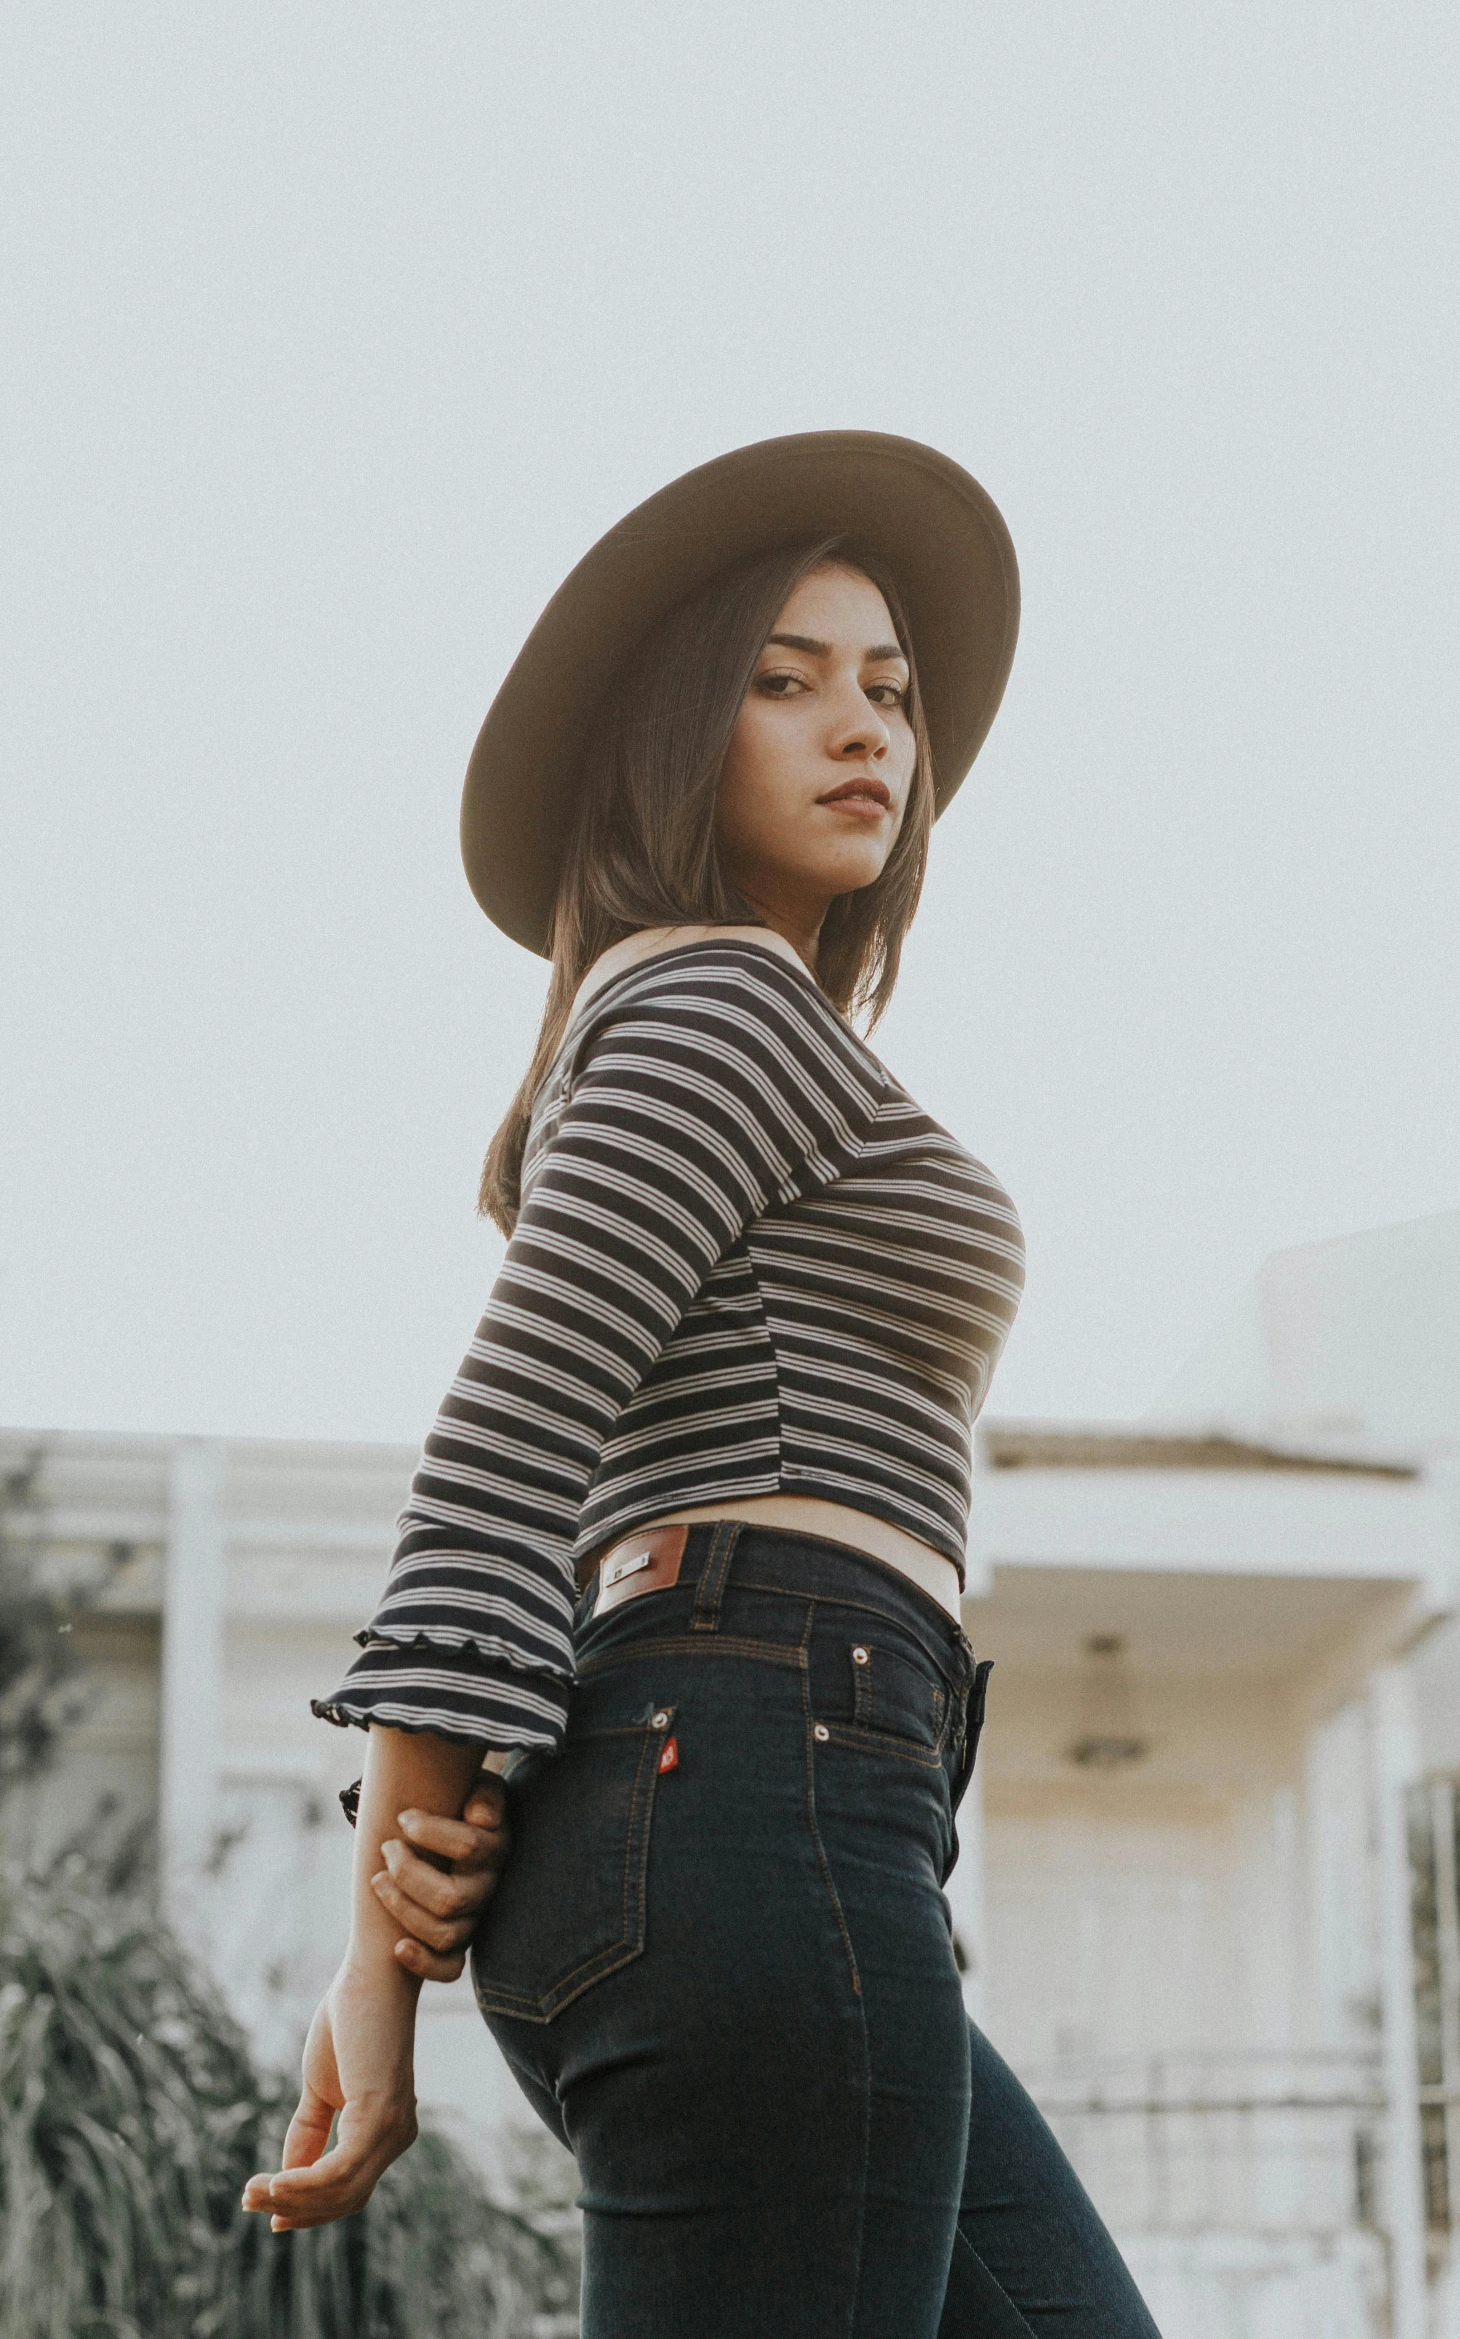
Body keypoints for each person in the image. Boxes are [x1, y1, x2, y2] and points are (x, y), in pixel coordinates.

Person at [243, 432, 1161, 2338]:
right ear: (676, 732)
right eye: (784, 676)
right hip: (757, 1780)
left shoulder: (727, 1028)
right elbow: (502, 1454)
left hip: (774, 1793)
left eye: (890, 690)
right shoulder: (718, 998)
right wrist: (371, 1973)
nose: (866, 730)